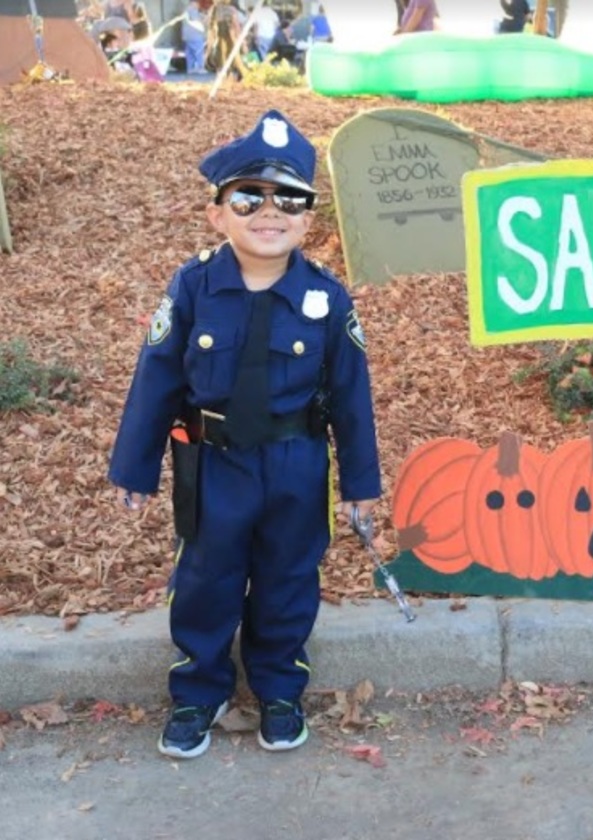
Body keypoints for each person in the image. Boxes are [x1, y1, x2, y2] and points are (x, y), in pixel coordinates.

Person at [108, 110, 382, 760]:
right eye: (248, 197)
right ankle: (198, 696)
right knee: (207, 580)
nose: (270, 211)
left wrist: (361, 485)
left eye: (290, 198)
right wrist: (135, 469)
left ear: (308, 218)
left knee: (289, 579)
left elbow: (351, 397)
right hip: (214, 466)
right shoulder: (195, 286)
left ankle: (280, 691)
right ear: (218, 214)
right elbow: (158, 378)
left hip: (296, 462)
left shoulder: (326, 298)